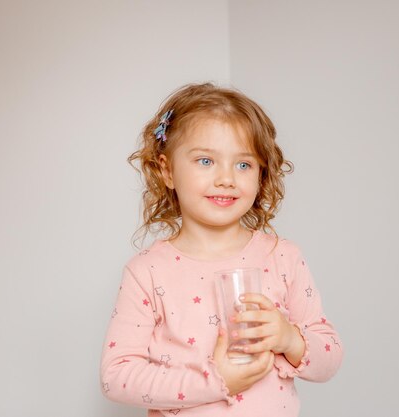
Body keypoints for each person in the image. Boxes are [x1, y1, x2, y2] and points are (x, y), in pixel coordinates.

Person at [100, 83, 342, 416]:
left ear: (262, 173)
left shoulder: (283, 257)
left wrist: (289, 339)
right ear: (167, 170)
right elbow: (116, 376)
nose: (226, 178)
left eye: (243, 165)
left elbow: (329, 358)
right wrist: (215, 381)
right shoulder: (147, 272)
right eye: (205, 161)